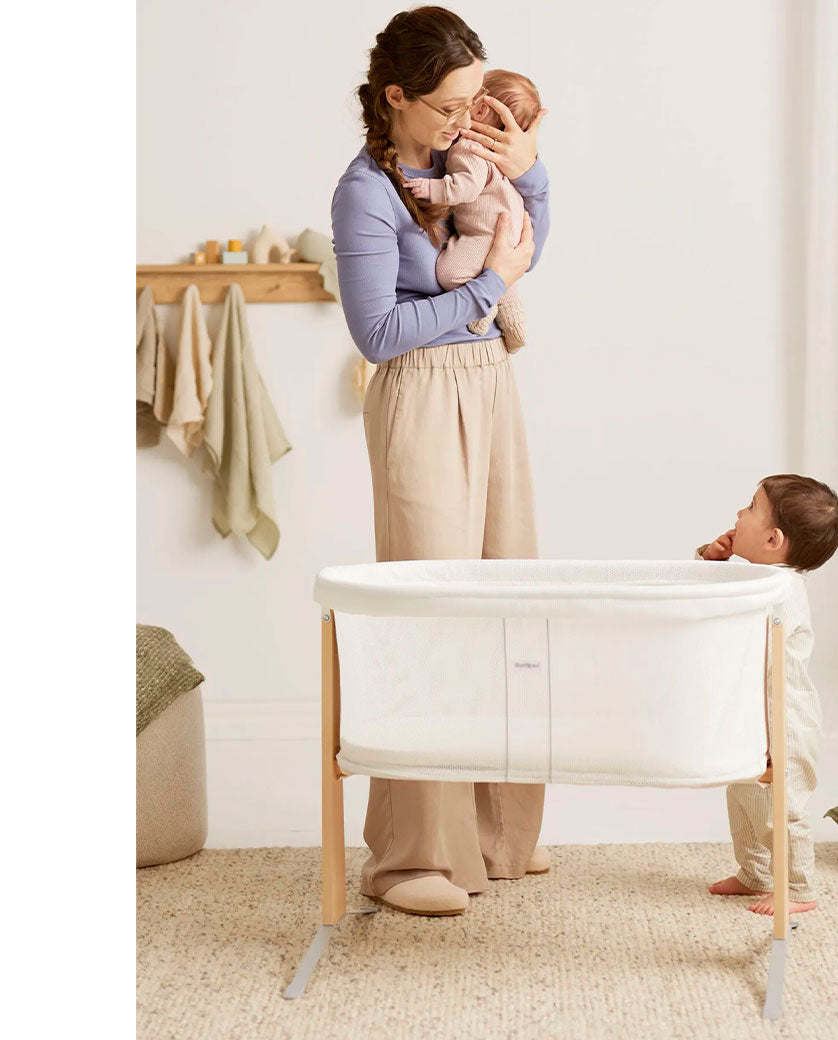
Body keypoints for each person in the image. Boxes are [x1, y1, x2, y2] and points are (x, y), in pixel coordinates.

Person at [330, 6, 550, 917]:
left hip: (489, 380)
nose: (468, 119)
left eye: (475, 100)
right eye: (451, 104)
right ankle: (411, 855)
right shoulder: (365, 193)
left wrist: (532, 178)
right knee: (428, 614)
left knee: (507, 601)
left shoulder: (465, 165)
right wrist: (492, 286)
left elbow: (523, 249)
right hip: (420, 393)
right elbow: (379, 334)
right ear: (397, 97)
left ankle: (498, 836)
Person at [696, 474, 838, 915]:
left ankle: (798, 887)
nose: (739, 514)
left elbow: (724, 613)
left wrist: (719, 572)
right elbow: (714, 598)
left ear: (772, 538)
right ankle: (756, 873)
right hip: (750, 719)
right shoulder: (758, 578)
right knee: (743, 796)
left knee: (781, 807)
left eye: (750, 507)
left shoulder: (780, 589)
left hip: (784, 723)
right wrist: (714, 559)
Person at [403, 69, 545, 353]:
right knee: (499, 273)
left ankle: (487, 306)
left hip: (487, 234)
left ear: (480, 108)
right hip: (508, 229)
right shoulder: (503, 160)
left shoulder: (468, 148)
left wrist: (433, 189)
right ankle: (509, 308)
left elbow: (465, 187)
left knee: (450, 272)